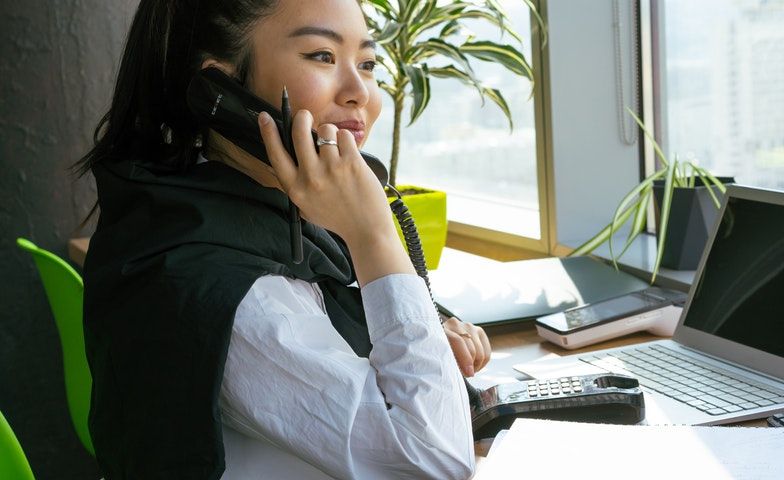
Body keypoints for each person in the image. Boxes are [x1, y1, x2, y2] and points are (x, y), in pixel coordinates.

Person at [75, 0, 488, 478]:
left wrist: (420, 332)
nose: (361, 92)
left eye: (368, 63)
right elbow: (435, 463)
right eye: (322, 56)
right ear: (220, 88)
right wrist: (374, 234)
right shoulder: (232, 295)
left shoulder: (245, 212)